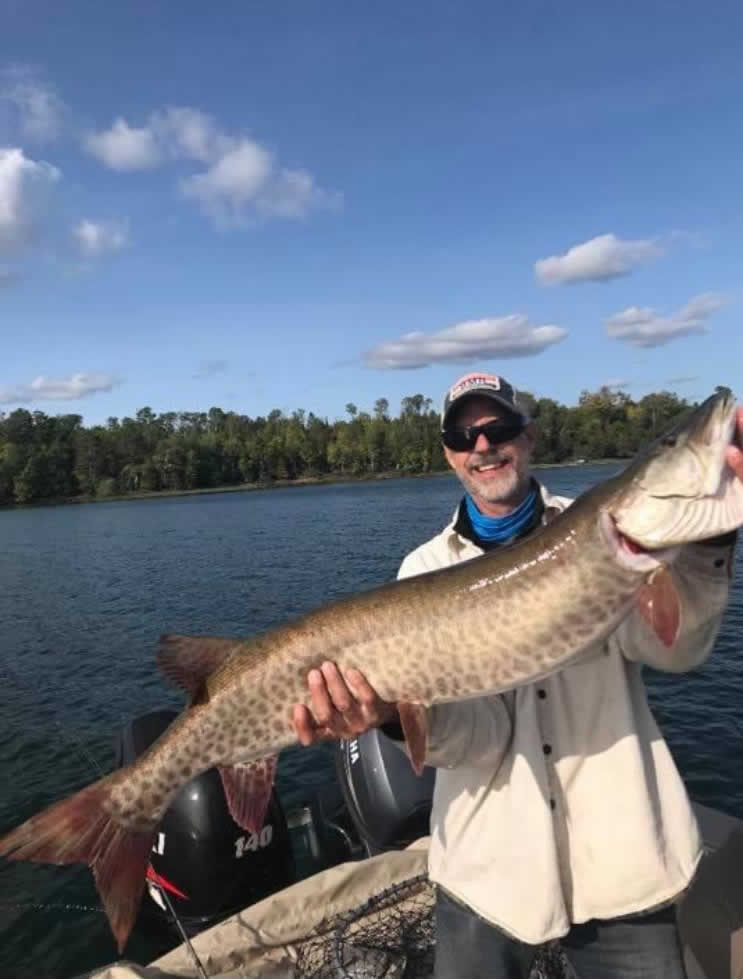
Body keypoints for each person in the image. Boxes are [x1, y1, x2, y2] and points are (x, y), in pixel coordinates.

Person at [291, 371, 743, 979]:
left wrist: (711, 537)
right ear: (450, 454)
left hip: (623, 864)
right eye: (464, 435)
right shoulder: (422, 569)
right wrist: (392, 717)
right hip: (488, 874)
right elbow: (475, 739)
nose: (483, 446)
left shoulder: (610, 536)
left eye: (498, 428)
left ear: (527, 438)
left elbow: (678, 651)